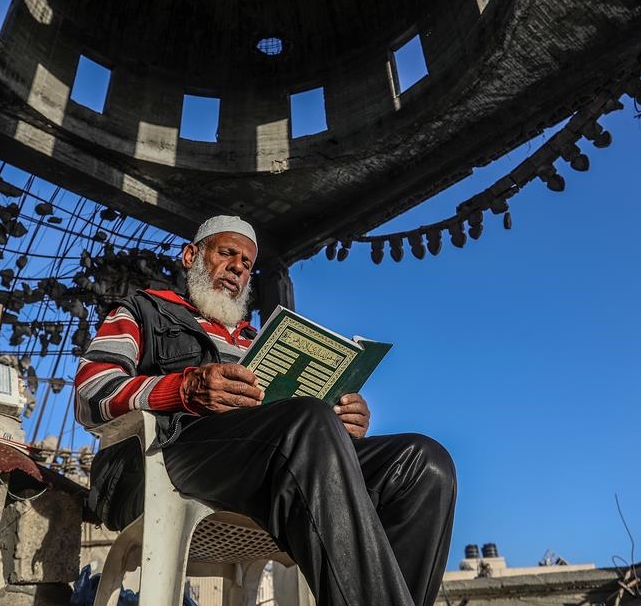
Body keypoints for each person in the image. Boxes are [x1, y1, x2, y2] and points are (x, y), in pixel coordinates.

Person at [74, 215, 456, 606]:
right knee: (307, 421)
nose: (238, 267)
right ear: (191, 256)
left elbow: (300, 420)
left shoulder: (256, 340)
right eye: (227, 253)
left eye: (247, 264)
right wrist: (183, 388)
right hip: (172, 453)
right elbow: (91, 393)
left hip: (277, 457)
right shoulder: (143, 310)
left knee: (424, 463)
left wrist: (342, 423)